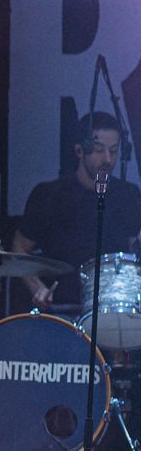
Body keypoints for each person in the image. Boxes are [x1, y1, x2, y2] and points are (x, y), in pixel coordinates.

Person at [11, 112, 141, 311]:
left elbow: (135, 253)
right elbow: (19, 247)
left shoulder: (128, 195)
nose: (108, 159)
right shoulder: (49, 195)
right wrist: (38, 288)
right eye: (99, 150)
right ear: (79, 150)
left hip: (113, 311)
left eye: (114, 151)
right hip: (62, 310)